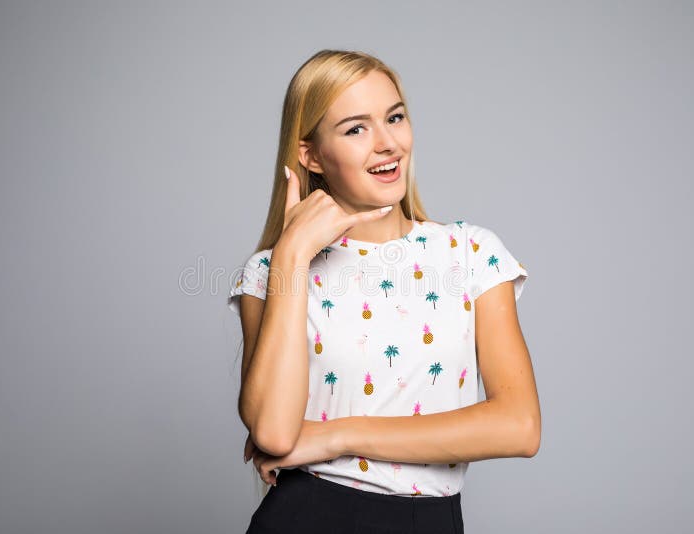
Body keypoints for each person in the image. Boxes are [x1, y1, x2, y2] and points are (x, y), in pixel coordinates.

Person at [227, 49, 540, 534]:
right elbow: (271, 431)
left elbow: (520, 426)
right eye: (356, 128)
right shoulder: (271, 271)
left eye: (394, 118)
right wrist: (292, 253)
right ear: (309, 154)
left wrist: (336, 437)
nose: (387, 143)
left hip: (430, 520)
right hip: (307, 516)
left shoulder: (470, 253)